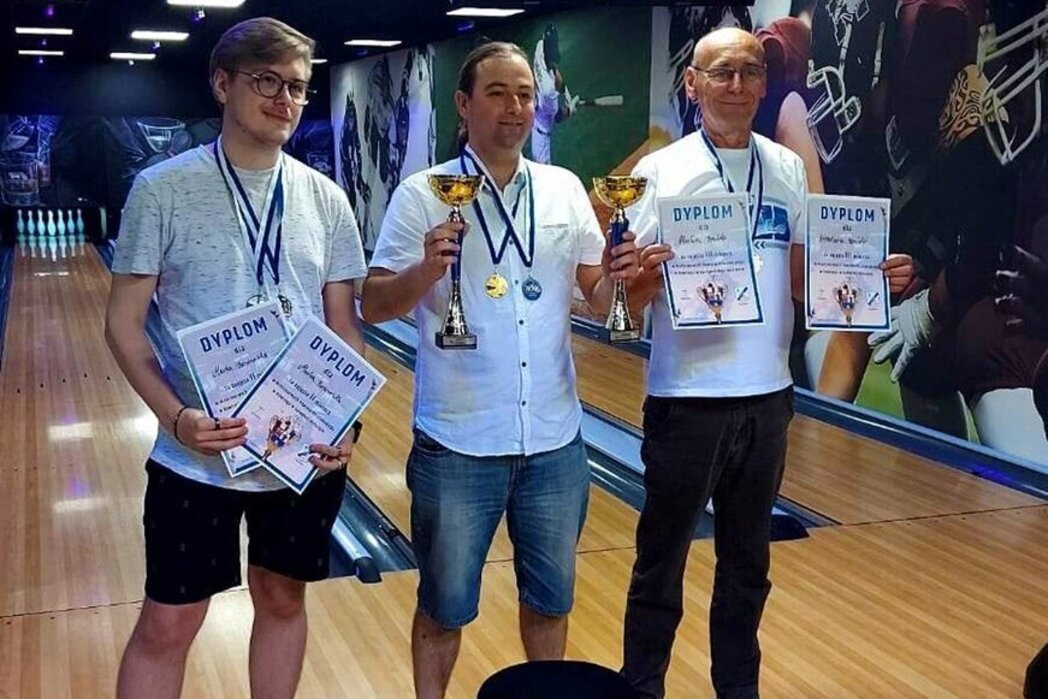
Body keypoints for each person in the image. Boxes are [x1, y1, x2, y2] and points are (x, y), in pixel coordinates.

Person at [619, 28, 912, 698]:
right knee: (660, 567)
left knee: (748, 569)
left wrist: (871, 279)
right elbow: (624, 303)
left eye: (751, 72)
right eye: (722, 73)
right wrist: (641, 277)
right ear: (692, 84)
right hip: (685, 399)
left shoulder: (784, 166)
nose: (738, 86)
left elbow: (808, 282)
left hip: (769, 400)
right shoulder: (657, 173)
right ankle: (641, 689)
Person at [359, 40, 638, 699]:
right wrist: (425, 270)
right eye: (497, 93)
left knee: (551, 600)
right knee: (444, 607)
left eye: (524, 94)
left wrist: (627, 278)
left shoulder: (564, 189)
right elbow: (372, 303)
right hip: (457, 442)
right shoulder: (422, 194)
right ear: (463, 104)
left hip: (554, 441)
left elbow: (600, 299)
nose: (515, 107)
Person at [105, 17, 367, 699]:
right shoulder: (161, 190)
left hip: (299, 450)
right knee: (169, 621)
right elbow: (123, 327)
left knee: (282, 598)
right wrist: (176, 418)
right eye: (267, 82)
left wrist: (345, 421)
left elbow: (344, 325)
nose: (285, 100)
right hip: (195, 455)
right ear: (222, 85)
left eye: (297, 88)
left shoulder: (326, 199)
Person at [530, 23, 579, 164]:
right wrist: (570, 109)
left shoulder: (540, 46)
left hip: (536, 111)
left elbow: (552, 68)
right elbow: (557, 117)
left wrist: (565, 91)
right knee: (544, 174)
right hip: (541, 139)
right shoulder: (548, 90)